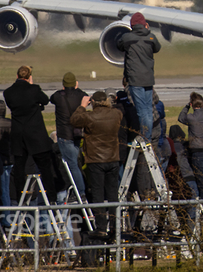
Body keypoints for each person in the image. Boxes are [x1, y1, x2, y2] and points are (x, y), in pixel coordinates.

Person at [70, 91, 123, 237]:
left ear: (93, 102)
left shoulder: (89, 116)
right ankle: (114, 226)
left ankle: (101, 227)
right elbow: (119, 113)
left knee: (98, 194)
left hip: (95, 160)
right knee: (113, 194)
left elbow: (74, 120)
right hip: (113, 158)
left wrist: (82, 106)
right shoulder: (116, 114)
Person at [3, 66, 56, 200]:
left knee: (19, 166)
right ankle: (51, 196)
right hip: (35, 133)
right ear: (29, 77)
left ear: (17, 76)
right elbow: (45, 100)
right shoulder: (34, 89)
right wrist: (32, 87)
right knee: (45, 167)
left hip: (19, 133)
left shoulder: (8, 92)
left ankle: (20, 194)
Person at [117, 12, 162, 140]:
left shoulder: (127, 37)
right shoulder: (151, 37)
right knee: (148, 109)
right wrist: (148, 31)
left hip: (135, 79)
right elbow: (157, 48)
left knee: (142, 111)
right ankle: (148, 135)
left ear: (132, 25)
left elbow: (119, 45)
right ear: (144, 24)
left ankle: (146, 136)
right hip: (148, 79)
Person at [49, 72, 89, 198]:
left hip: (64, 135)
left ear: (63, 85)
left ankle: (81, 191)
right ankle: (79, 187)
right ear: (76, 84)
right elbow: (86, 97)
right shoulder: (81, 95)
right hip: (77, 134)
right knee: (75, 162)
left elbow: (51, 98)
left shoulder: (58, 96)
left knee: (71, 164)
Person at [178, 92, 203, 200]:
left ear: (191, 104)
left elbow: (181, 118)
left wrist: (187, 106)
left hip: (197, 152)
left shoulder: (191, 117)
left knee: (202, 181)